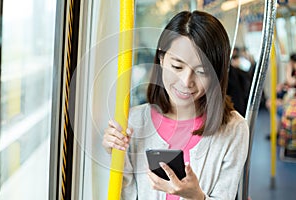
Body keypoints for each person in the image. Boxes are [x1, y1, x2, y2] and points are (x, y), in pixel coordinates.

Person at [102, 10, 249, 200]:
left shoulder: (234, 129)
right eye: (177, 67)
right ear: (162, 59)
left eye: (201, 71)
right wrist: (113, 157)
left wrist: (197, 197)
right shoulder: (134, 121)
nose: (186, 81)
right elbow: (126, 195)